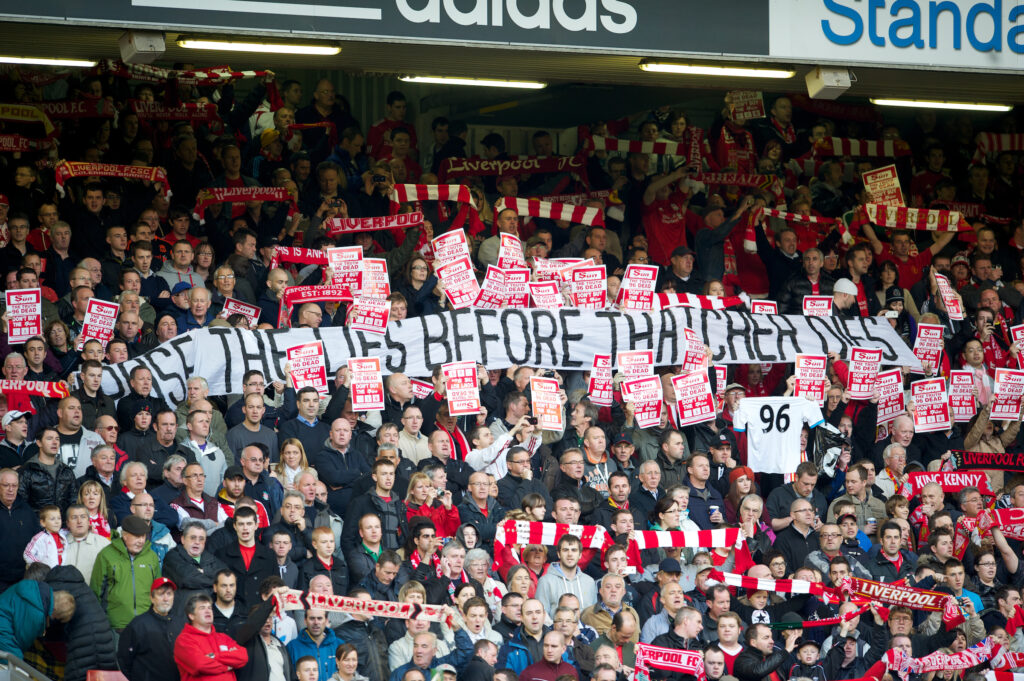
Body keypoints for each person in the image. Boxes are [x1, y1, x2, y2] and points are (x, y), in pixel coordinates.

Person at [91, 514, 162, 630]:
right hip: (115, 625)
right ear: (124, 535)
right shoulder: (106, 555)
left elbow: (158, 590)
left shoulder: (152, 557)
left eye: (143, 536)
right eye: (136, 536)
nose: (140, 541)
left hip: (147, 624)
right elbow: (96, 591)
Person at [118, 576, 183, 681]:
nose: (166, 598)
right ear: (152, 598)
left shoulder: (181, 623)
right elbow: (124, 659)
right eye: (161, 594)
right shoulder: (138, 625)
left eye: (169, 594)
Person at [174, 593, 249, 681]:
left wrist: (213, 657)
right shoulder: (184, 640)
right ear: (191, 616)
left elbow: (243, 656)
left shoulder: (223, 637)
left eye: (209, 608)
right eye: (202, 608)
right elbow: (199, 665)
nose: (208, 611)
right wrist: (227, 666)